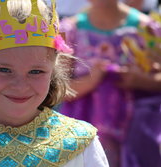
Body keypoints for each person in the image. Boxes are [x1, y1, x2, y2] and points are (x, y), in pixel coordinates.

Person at [0, 0, 109, 166]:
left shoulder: (81, 144)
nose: (20, 86)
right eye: (4, 70)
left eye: (36, 72)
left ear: (53, 69)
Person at [59, 0, 161, 167]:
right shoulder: (70, 31)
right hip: (86, 135)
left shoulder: (147, 28)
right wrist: (90, 81)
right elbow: (59, 90)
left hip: (137, 136)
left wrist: (141, 81)